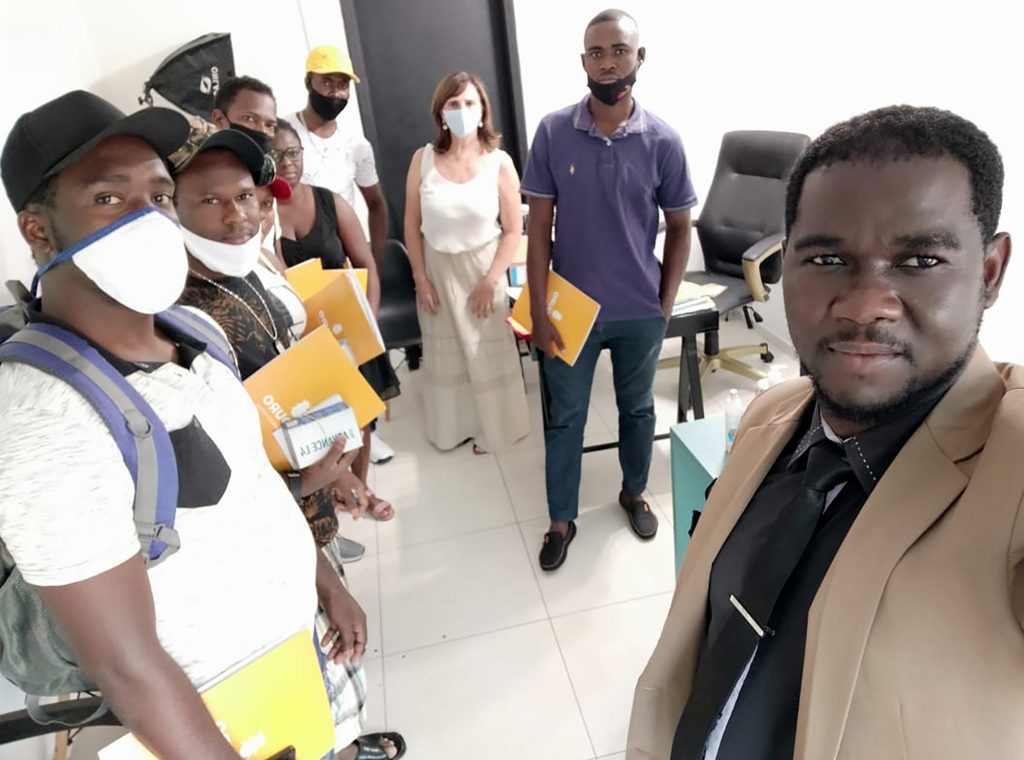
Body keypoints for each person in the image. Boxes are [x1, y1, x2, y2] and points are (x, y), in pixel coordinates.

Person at [628, 105, 1024, 760]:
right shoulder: (771, 418)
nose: (866, 304)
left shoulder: (1010, 465)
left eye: (921, 259)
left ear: (989, 272)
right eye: (829, 257)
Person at [0, 90, 320, 758]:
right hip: (210, 724)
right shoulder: (41, 412)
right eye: (109, 197)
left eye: (159, 196)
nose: (147, 219)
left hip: (292, 669)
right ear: (38, 230)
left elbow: (253, 486)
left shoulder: (195, 330)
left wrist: (325, 584)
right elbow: (125, 664)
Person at [171, 132, 405, 759]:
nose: (237, 215)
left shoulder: (253, 270)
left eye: (246, 196)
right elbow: (218, 489)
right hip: (265, 544)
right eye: (210, 201)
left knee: (332, 676)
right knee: (300, 693)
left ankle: (346, 742)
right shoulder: (177, 321)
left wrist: (339, 475)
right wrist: (326, 580)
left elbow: (289, 387)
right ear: (171, 208)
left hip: (306, 509)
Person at [521, 9, 696, 571]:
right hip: (569, 313)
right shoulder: (553, 132)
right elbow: (538, 230)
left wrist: (664, 304)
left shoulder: (663, 140)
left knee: (637, 410)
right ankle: (560, 520)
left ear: (639, 58)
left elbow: (681, 227)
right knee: (565, 418)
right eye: (596, 53)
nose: (608, 62)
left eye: (619, 50)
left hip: (638, 310)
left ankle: (634, 492)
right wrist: (539, 313)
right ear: (583, 62)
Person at [273, 119, 397, 520]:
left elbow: (366, 265)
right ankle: (330, 497)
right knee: (314, 424)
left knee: (358, 418)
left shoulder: (330, 203)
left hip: (345, 331)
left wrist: (366, 323)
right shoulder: (261, 213)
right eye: (275, 155)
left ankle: (361, 489)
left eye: (292, 152)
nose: (286, 163)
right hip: (297, 340)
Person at [403, 71, 530, 453]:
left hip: (482, 270)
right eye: (453, 103)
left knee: (484, 351)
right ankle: (454, 429)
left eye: (470, 102)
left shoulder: (499, 162)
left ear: (482, 110)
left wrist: (491, 280)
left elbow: (513, 230)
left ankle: (494, 430)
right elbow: (411, 224)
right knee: (448, 355)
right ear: (441, 113)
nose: (462, 110)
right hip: (436, 270)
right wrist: (420, 279)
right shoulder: (423, 159)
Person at [286, 45, 398, 466]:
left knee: (356, 358)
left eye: (342, 85)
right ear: (309, 82)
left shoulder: (356, 145)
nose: (335, 92)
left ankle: (369, 433)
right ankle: (322, 444)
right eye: (327, 82)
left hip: (338, 257)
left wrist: (374, 264)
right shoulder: (286, 137)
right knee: (311, 364)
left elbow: (377, 205)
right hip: (294, 256)